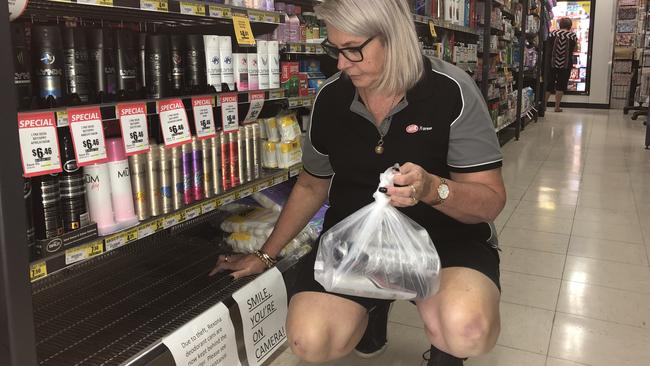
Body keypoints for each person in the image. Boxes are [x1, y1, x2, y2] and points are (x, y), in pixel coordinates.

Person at [210, 1, 506, 365]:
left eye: (353, 49)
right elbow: (310, 185)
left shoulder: (451, 91)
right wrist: (265, 254)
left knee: (466, 329)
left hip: (445, 238)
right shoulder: (332, 98)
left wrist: (432, 189)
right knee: (309, 339)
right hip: (356, 239)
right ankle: (373, 305)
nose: (341, 63)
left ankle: (446, 352)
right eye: (335, 49)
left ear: (394, 39)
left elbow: (490, 201)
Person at [545, 17, 577, 112]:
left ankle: (544, 106)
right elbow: (575, 49)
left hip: (551, 63)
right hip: (565, 64)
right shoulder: (573, 36)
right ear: (570, 26)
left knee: (549, 84)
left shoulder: (552, 34)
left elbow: (547, 47)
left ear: (560, 25)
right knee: (561, 85)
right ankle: (557, 107)